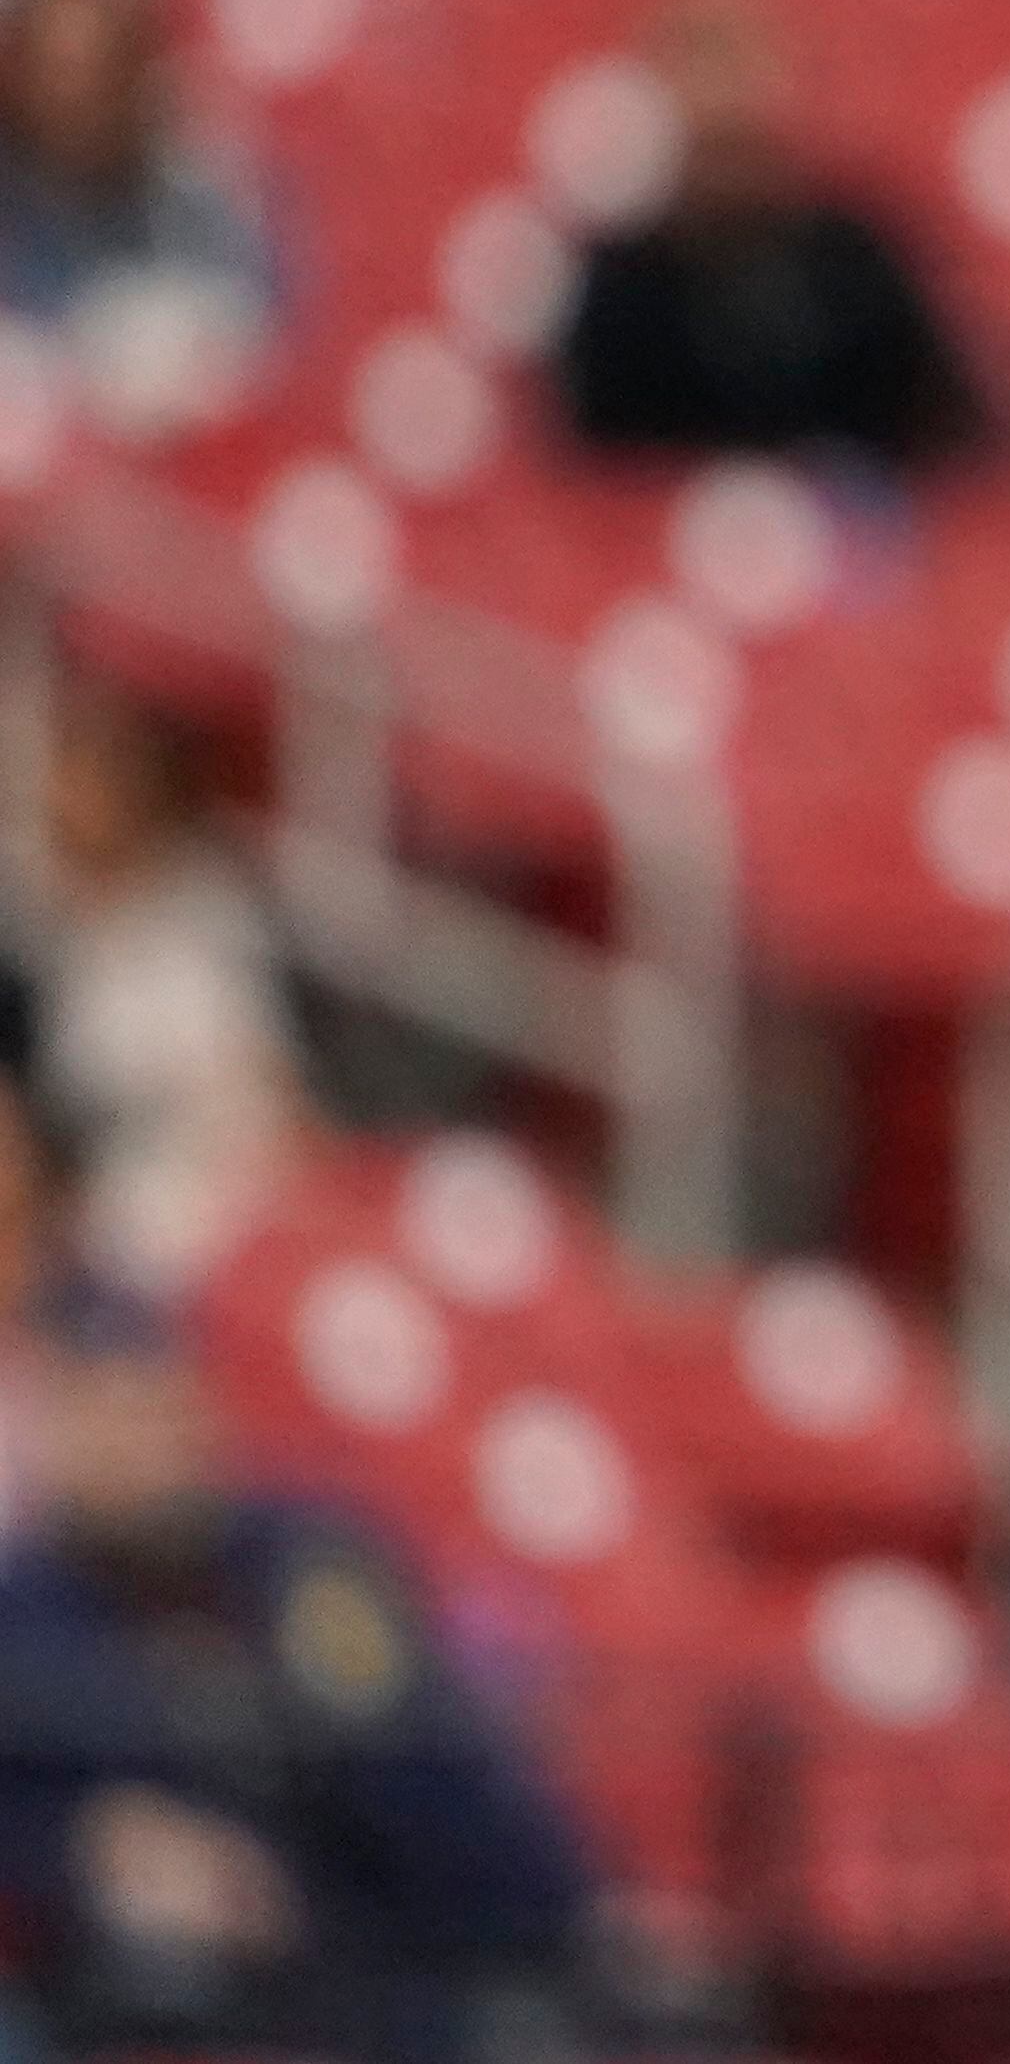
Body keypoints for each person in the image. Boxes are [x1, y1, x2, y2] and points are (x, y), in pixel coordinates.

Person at [0, 1287, 594, 2062]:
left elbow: (445, 1798)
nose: (134, 1444)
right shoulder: (23, 1606)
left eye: (155, 1409)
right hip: (120, 2004)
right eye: (100, 1412)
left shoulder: (302, 1562)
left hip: (376, 1969)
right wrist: (80, 1846)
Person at [550, 0, 982, 471]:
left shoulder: (858, 262)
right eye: (697, 50)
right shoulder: (613, 284)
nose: (722, 85)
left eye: (739, 51)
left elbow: (947, 446)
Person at [20, 674, 307, 1302]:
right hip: (97, 1235)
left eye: (85, 779)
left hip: (196, 1244)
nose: (61, 799)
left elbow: (262, 1097)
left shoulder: (203, 923)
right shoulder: (68, 920)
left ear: (139, 792)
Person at [0, 0, 274, 439]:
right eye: (56, 66)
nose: (74, 91)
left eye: (95, 64)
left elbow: (269, 309)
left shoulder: (189, 170)